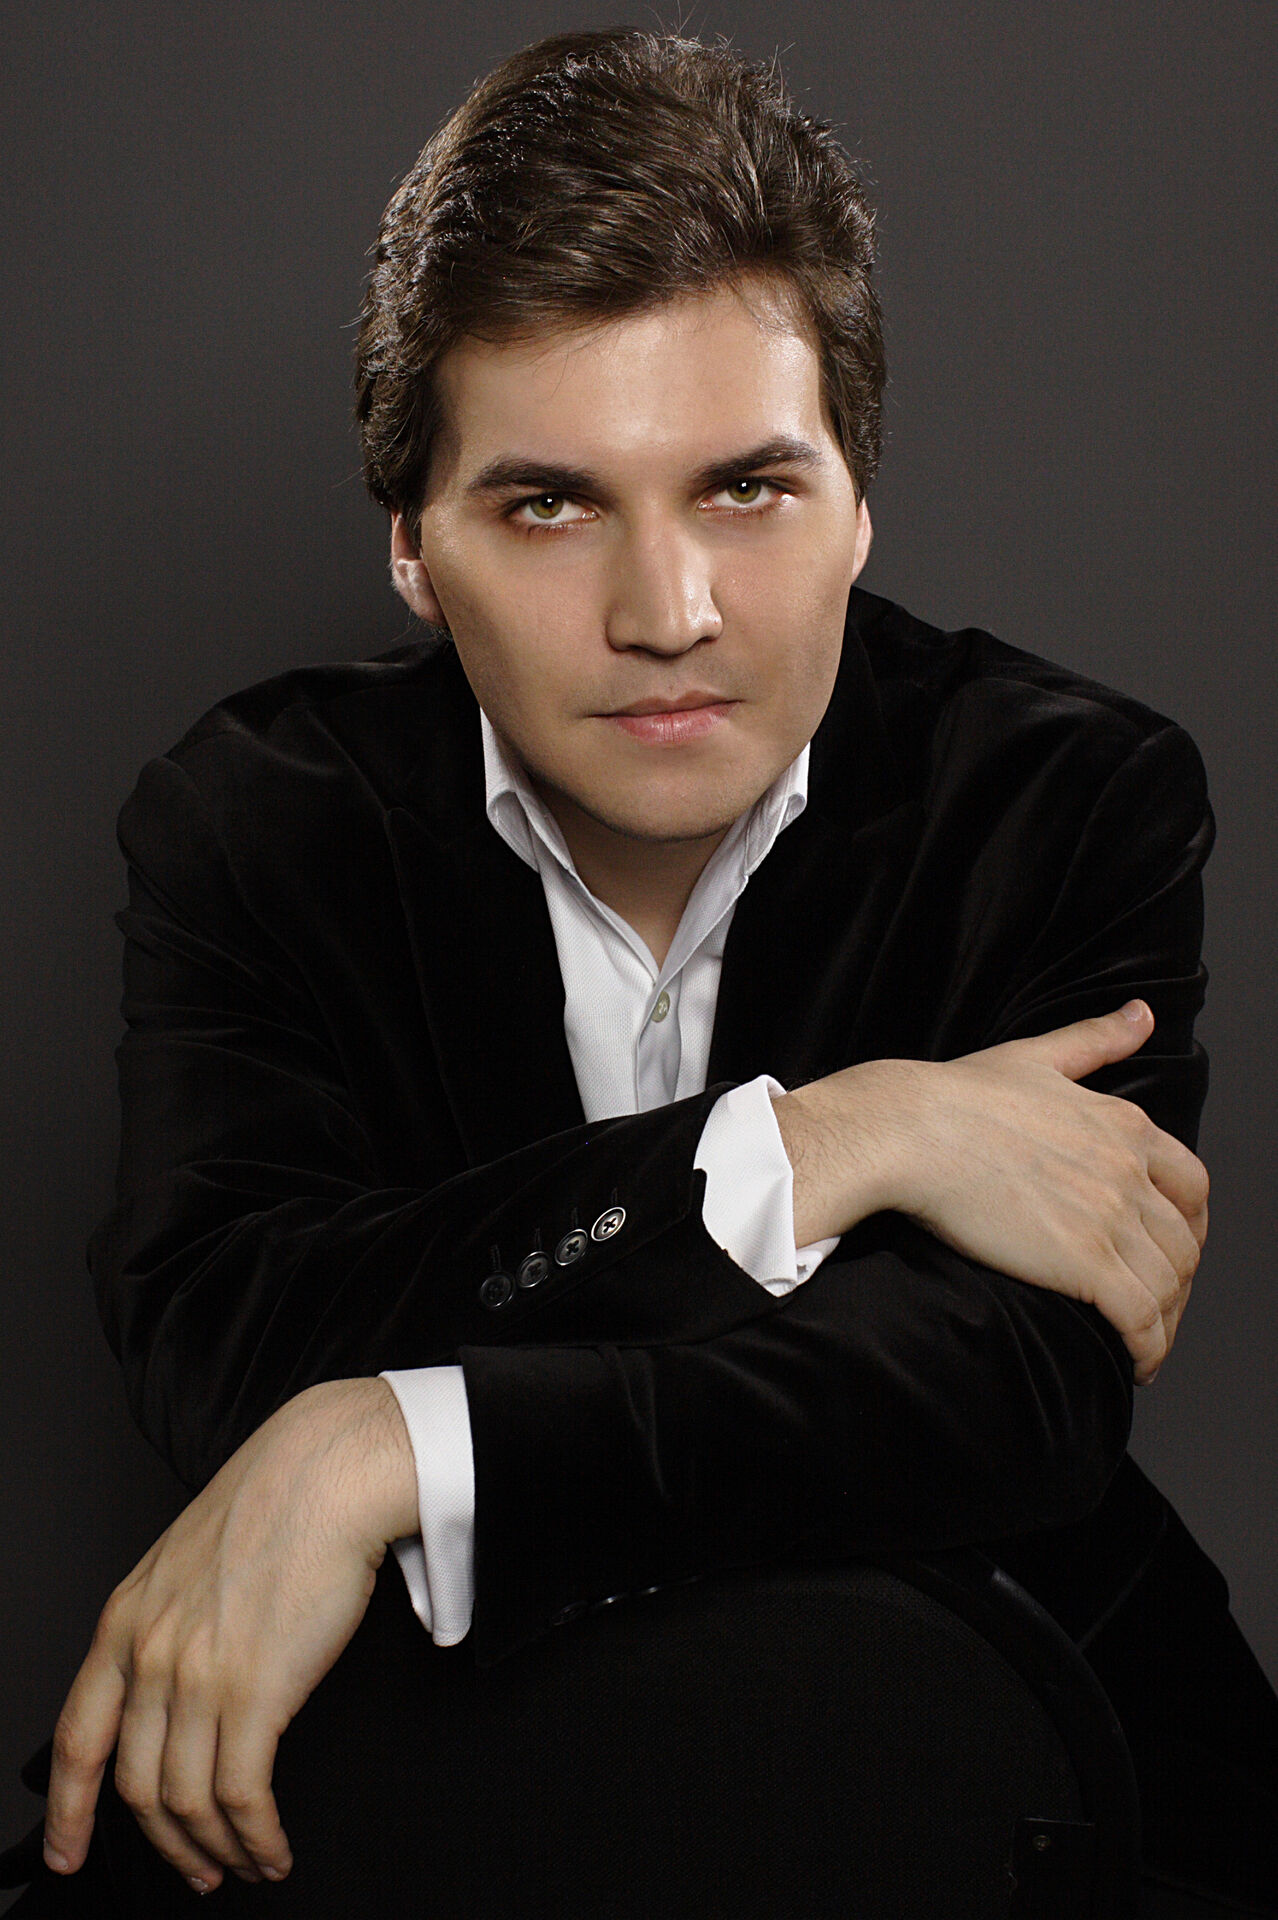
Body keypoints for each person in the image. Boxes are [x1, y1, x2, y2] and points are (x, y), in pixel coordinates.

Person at [5, 25, 1276, 1917]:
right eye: (549, 504)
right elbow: (232, 1341)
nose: (665, 612)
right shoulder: (257, 817)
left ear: (860, 500)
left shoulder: (1067, 795)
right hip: (431, 1762)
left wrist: (392, 1439)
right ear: (413, 548)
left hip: (999, 1741)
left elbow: (1007, 1394)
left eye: (747, 489)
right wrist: (824, 1147)